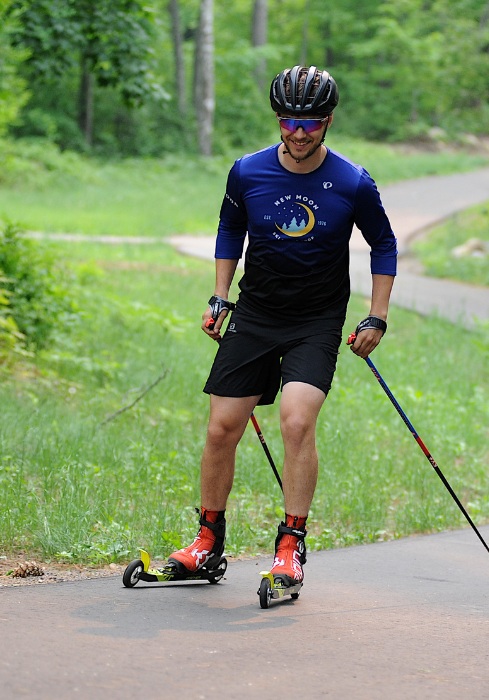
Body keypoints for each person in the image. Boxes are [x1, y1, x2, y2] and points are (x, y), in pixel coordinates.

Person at [163, 65, 397, 597]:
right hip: (255, 314)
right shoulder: (247, 172)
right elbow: (229, 230)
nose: (299, 131)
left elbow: (384, 245)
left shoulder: (353, 181)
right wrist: (220, 296)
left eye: (311, 122)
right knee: (222, 427)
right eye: (290, 119)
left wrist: (376, 316)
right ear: (277, 118)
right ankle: (206, 542)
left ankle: (290, 547)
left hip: (315, 322)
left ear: (328, 121)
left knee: (295, 421)